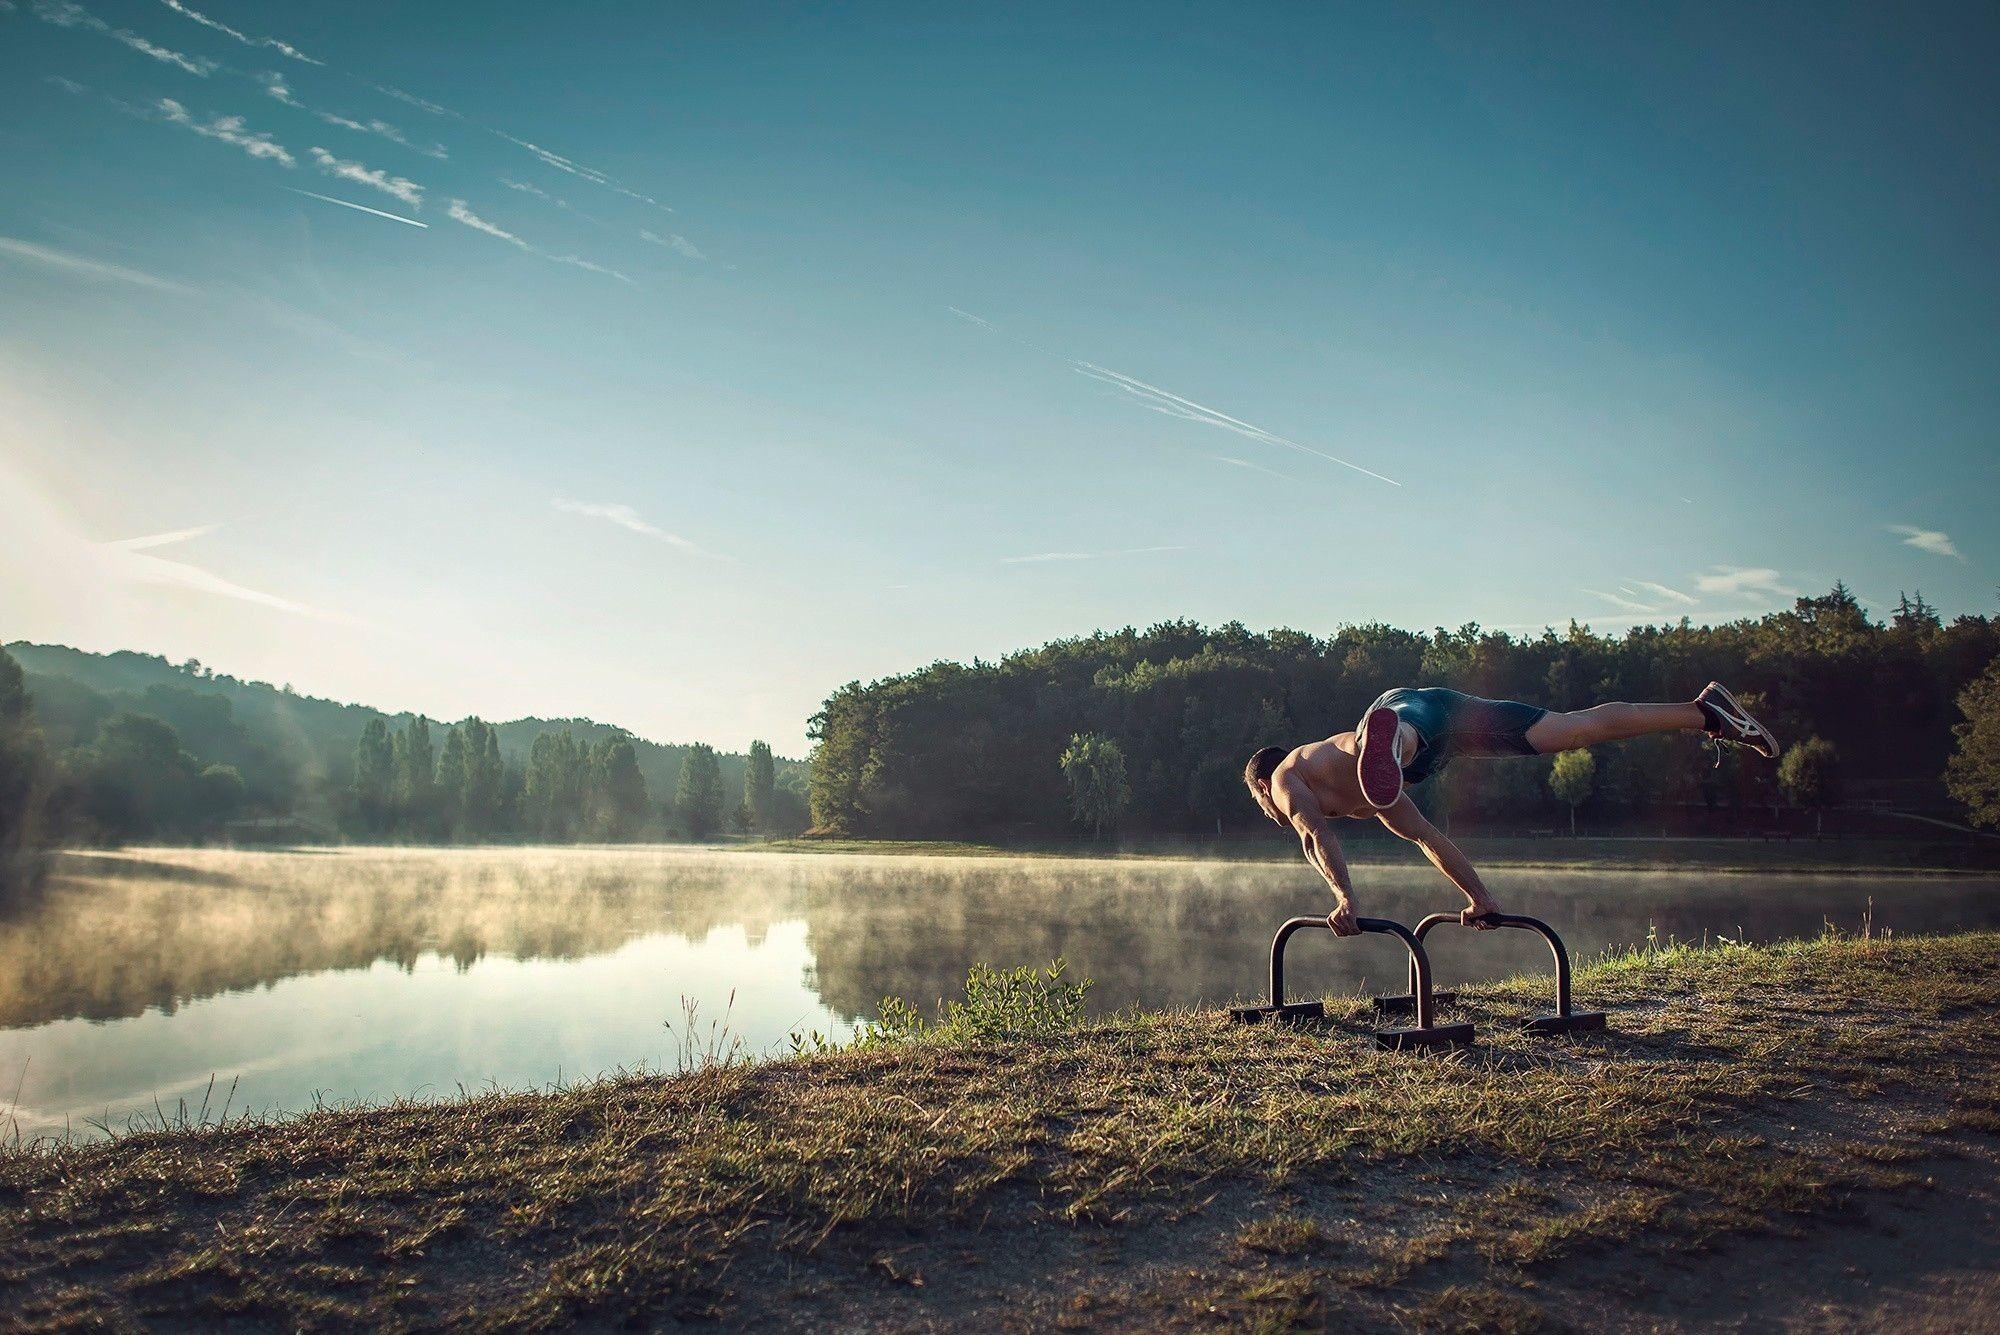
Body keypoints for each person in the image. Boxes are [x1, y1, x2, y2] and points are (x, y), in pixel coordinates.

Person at [1242, 682, 1779, 935]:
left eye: (1260, 802)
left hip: (1401, 713)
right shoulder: (1371, 796)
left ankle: (1393, 741)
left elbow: (1314, 838)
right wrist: (1481, 899)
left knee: (1386, 741)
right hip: (1449, 728)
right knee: (1572, 729)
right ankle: (1704, 713)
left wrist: (1344, 901)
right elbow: (1429, 839)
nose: (1272, 810)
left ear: (1262, 788)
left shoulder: (1287, 775)